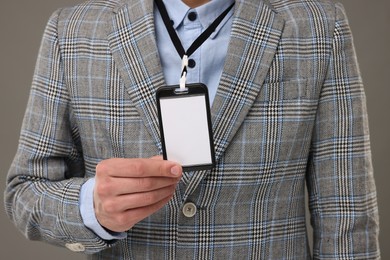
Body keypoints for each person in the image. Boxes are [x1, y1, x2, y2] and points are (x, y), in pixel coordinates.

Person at [4, 0, 380, 258]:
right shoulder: (71, 32)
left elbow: (347, 215)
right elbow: (25, 193)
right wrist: (93, 207)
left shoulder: (318, 27)